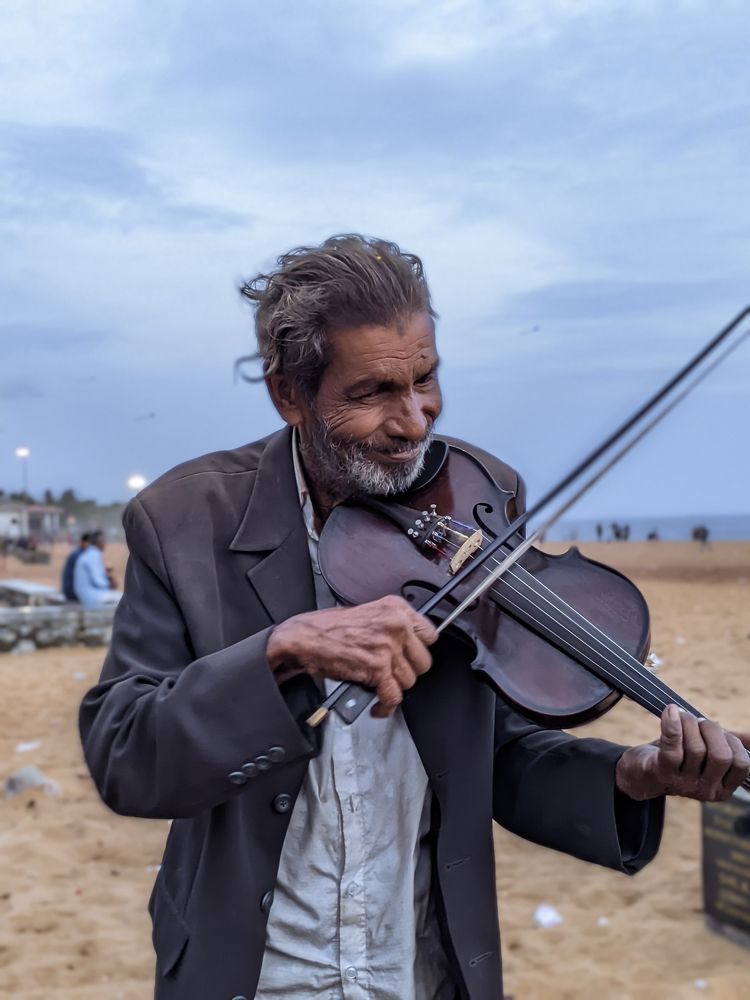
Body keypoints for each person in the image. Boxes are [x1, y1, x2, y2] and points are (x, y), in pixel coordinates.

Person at [79, 235, 749, 1000]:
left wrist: (630, 776)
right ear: (288, 396)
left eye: (426, 379)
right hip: (257, 972)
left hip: (419, 968)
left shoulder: (480, 491)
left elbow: (494, 753)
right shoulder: (183, 519)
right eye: (371, 393)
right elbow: (124, 750)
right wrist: (280, 651)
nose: (414, 420)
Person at [73, 529, 121, 607]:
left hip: (87, 594)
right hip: (92, 596)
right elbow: (97, 580)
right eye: (104, 541)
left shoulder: (89, 553)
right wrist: (110, 584)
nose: (105, 544)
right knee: (125, 599)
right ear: (99, 542)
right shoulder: (93, 555)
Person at [61, 533, 91, 601]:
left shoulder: (78, 553)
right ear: (83, 542)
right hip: (73, 591)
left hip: (69, 590)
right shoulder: (80, 556)